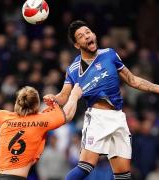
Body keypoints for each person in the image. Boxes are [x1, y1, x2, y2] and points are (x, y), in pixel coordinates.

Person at [43, 20, 159, 180]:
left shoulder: (110, 54)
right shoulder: (73, 69)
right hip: (97, 118)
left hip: (118, 117)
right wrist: (54, 98)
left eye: (88, 32)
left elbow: (132, 80)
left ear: (94, 34)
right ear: (77, 45)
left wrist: (157, 88)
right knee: (85, 166)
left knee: (123, 175)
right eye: (81, 36)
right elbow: (64, 95)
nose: (86, 36)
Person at [0, 84, 82, 180]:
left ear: (17, 102)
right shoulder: (42, 121)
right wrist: (74, 95)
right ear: (36, 105)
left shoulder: (4, 117)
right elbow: (68, 114)